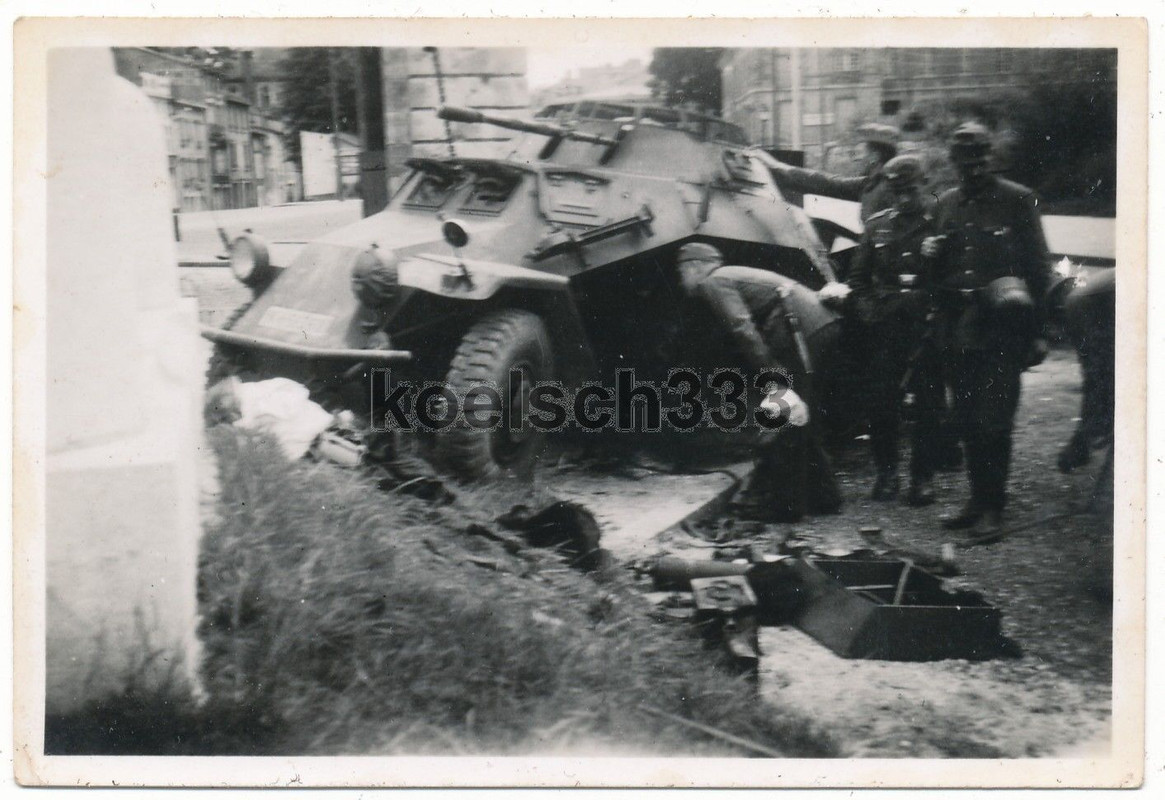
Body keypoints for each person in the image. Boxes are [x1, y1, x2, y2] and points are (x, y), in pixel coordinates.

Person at [923, 122, 1053, 537]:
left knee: (994, 421)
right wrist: (930, 258)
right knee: (965, 418)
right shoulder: (944, 203)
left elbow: (1038, 268)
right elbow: (936, 271)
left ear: (989, 158)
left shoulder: (1017, 199)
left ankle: (994, 508)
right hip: (957, 329)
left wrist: (1037, 332)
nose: (973, 169)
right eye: (965, 162)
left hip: (1001, 328)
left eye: (979, 160)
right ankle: (976, 501)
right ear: (955, 164)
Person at [674, 242, 843, 522]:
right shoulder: (731, 274)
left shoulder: (714, 281)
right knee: (799, 416)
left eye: (682, 271)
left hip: (799, 332)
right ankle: (825, 497)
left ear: (694, 266)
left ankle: (785, 507)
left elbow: (742, 327)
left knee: (782, 418)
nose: (682, 280)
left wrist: (771, 374)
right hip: (819, 326)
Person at [846, 155, 944, 506]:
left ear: (924, 185)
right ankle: (887, 473)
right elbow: (857, 281)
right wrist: (871, 315)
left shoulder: (941, 222)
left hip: (927, 328)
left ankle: (922, 479)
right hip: (886, 329)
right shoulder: (877, 227)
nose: (903, 198)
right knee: (881, 403)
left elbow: (952, 275)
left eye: (910, 190)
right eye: (897, 191)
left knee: (929, 405)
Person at [752, 123, 900, 224]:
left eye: (861, 152)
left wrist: (777, 165)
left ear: (874, 157)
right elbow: (826, 182)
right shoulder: (871, 183)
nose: (857, 158)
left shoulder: (887, 188)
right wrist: (778, 166)